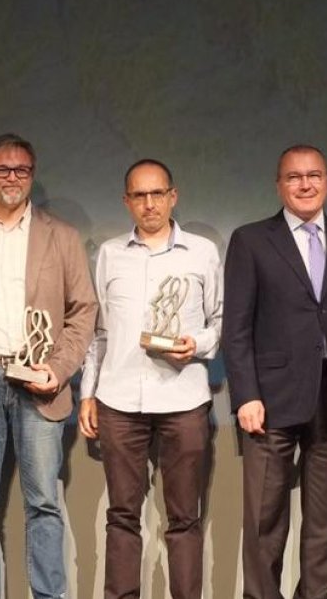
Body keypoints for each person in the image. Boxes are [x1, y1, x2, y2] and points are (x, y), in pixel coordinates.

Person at [0, 133, 97, 598]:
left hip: (40, 381)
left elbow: (83, 310)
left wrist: (60, 367)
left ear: (32, 174)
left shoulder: (62, 236)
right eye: (2, 170)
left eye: (21, 170)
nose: (12, 178)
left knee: (44, 501)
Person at [222, 144, 327, 598]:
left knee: (326, 522)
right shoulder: (251, 240)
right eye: (294, 177)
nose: (305, 184)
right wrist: (245, 395)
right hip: (269, 402)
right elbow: (236, 328)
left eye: (314, 175)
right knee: (264, 521)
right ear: (279, 185)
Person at [78, 159, 223, 599]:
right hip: (119, 400)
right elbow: (99, 332)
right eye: (139, 195)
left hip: (183, 399)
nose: (149, 203)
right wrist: (88, 393)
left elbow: (220, 321)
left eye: (157, 193)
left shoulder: (202, 252)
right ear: (127, 201)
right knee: (122, 515)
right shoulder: (110, 254)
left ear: (172, 196)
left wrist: (195, 344)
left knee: (184, 518)